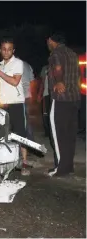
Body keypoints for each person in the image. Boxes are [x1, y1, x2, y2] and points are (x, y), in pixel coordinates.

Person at [0, 37, 30, 176]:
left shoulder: (18, 63)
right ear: (0, 50)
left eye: (9, 49)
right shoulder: (1, 65)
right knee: (2, 135)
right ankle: (2, 164)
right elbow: (0, 84)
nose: (6, 51)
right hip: (3, 103)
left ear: (13, 50)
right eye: (4, 49)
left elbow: (15, 82)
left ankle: (25, 164)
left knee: (21, 134)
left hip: (16, 103)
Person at [46, 32, 80, 177]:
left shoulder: (56, 53)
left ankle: (61, 168)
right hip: (74, 98)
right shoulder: (73, 54)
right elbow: (78, 74)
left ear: (51, 40)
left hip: (61, 98)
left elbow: (58, 67)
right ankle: (68, 166)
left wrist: (59, 81)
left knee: (58, 134)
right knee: (70, 135)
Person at [22, 61, 35, 141]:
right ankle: (30, 141)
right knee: (28, 119)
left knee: (19, 120)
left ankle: (22, 143)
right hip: (27, 95)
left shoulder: (13, 64)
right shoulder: (28, 65)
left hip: (18, 97)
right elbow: (32, 81)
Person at [37, 65, 51, 137]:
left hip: (56, 96)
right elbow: (42, 82)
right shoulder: (45, 68)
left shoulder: (62, 65)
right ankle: (47, 132)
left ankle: (54, 132)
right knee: (45, 114)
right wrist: (39, 94)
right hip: (46, 94)